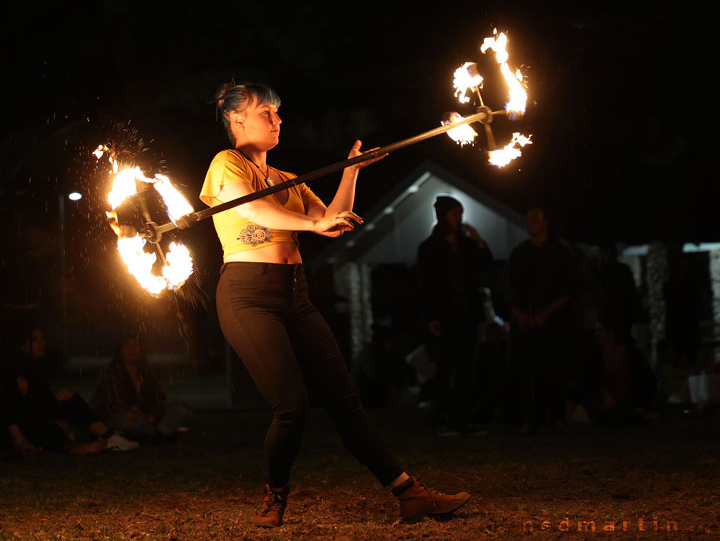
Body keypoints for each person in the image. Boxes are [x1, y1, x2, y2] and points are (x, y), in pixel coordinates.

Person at [199, 81, 470, 528]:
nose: (277, 119)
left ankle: (409, 493)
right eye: (266, 111)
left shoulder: (287, 179)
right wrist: (313, 221)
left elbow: (332, 221)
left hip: (295, 293)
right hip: (248, 295)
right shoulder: (227, 165)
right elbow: (255, 212)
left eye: (277, 112)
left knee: (347, 401)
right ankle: (275, 493)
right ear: (236, 119)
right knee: (292, 406)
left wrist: (351, 171)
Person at [416, 195, 494, 434]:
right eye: (454, 214)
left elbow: (486, 263)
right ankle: (440, 419)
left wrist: (479, 240)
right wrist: (431, 317)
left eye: (460, 214)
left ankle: (462, 419)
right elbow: (424, 285)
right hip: (446, 316)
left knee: (466, 369)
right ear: (443, 216)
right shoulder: (429, 247)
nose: (459, 219)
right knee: (445, 368)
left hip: (468, 314)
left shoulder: (466, 243)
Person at [2, 325, 139, 457]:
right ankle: (74, 448)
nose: (42, 342)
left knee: (65, 393)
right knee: (49, 426)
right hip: (21, 427)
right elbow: (17, 406)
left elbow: (40, 399)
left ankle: (109, 435)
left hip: (36, 417)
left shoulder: (33, 365)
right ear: (23, 343)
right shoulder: (16, 365)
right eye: (35, 339)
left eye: (43, 338)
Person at [500, 206, 578, 433]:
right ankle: (528, 417)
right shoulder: (519, 253)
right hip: (524, 323)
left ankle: (556, 415)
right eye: (528, 218)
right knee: (524, 369)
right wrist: (520, 314)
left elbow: (569, 288)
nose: (529, 222)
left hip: (552, 323)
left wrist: (545, 314)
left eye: (535, 218)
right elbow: (507, 287)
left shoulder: (560, 253)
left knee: (553, 369)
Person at [93, 332, 192, 439]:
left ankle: (156, 433)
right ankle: (159, 433)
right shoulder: (112, 371)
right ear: (120, 349)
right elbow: (115, 404)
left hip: (146, 418)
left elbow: (158, 398)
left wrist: (154, 414)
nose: (132, 349)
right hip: (118, 418)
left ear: (142, 349)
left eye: (136, 345)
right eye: (127, 345)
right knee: (130, 417)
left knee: (180, 409)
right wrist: (142, 415)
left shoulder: (147, 371)